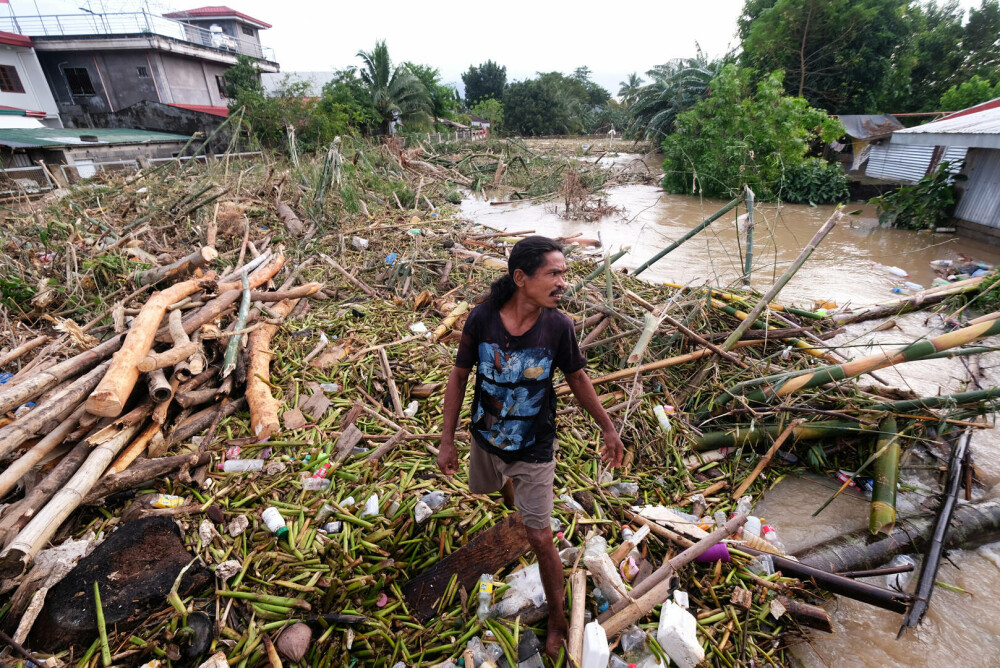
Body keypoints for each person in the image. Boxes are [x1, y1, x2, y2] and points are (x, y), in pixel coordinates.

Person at [437, 235, 624, 658]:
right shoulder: (481, 319)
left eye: (564, 274)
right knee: (488, 490)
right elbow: (459, 377)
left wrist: (609, 430)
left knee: (540, 536)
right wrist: (447, 441)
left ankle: (557, 619)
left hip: (535, 444)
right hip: (486, 436)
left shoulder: (558, 327)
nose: (563, 283)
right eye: (553, 274)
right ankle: (511, 494)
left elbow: (578, 379)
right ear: (521, 278)